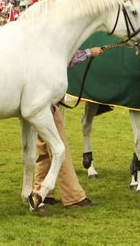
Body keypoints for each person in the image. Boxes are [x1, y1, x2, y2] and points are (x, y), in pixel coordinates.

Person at [34, 47, 103, 208]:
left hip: (40, 98)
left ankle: (42, 192)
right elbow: (64, 56)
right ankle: (73, 197)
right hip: (47, 99)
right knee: (59, 146)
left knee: (44, 147)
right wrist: (88, 53)